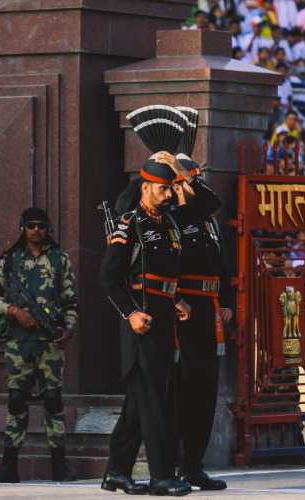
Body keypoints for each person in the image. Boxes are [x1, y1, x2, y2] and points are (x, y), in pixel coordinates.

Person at [100, 105, 221, 497]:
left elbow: (206, 207)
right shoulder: (129, 222)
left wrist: (184, 177)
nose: (170, 194)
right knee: (154, 401)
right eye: (164, 187)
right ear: (146, 186)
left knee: (141, 402)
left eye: (172, 188)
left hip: (165, 314)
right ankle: (160, 476)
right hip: (142, 319)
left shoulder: (169, 222)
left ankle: (116, 472)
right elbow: (109, 277)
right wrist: (131, 312)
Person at [0, 207, 79, 483]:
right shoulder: (10, 260)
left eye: (41, 226)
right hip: (18, 342)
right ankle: (9, 466)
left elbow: (71, 302)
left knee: (53, 401)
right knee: (16, 401)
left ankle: (60, 466)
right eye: (31, 225)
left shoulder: (60, 260)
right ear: (22, 228)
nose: (36, 230)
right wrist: (14, 312)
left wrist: (68, 329)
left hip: (49, 343)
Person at [169, 116, 231, 489]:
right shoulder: (172, 218)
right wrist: (175, 299)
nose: (195, 187)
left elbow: (222, 265)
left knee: (206, 390)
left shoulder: (206, 220)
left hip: (208, 309)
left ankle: (194, 464)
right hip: (183, 311)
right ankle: (177, 462)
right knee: (183, 389)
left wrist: (226, 301)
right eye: (189, 180)